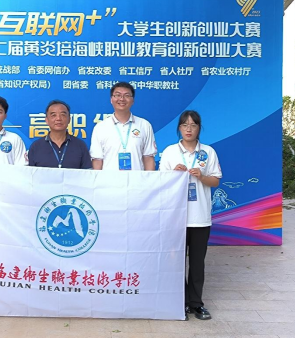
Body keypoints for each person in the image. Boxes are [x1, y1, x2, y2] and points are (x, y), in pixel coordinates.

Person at [158, 110, 222, 321]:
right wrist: (173, 174)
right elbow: (160, 182)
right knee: (176, 262)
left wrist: (202, 176)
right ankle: (180, 302)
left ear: (199, 128)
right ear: (179, 128)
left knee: (197, 263)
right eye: (185, 125)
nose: (189, 129)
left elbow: (215, 181)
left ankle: (196, 303)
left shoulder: (208, 152)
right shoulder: (170, 152)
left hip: (200, 217)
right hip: (175, 217)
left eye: (193, 125)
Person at [90, 82, 157, 171]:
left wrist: (149, 179)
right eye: (117, 95)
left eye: (127, 95)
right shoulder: (100, 127)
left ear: (133, 100)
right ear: (111, 99)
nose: (122, 99)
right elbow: (97, 160)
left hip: (137, 179)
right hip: (109, 179)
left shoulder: (144, 125)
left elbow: (148, 158)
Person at [28, 100, 92, 169]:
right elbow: (30, 174)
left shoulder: (80, 145)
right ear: (46, 120)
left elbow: (87, 173)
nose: (58, 118)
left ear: (69, 119)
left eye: (63, 115)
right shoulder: (36, 147)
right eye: (53, 115)